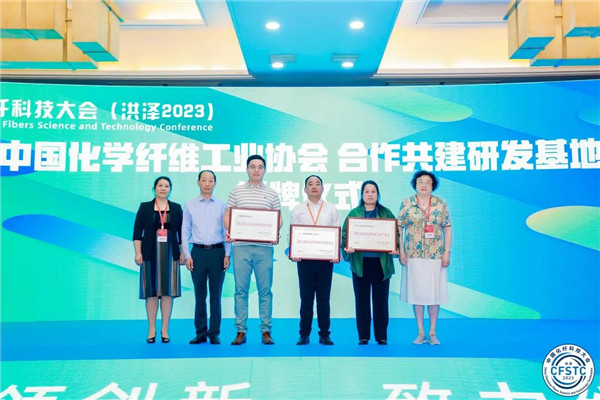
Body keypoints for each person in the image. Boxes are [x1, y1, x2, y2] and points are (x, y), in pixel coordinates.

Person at [224, 155, 282, 345]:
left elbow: (279, 219)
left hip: (264, 248)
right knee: (241, 290)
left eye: (260, 167)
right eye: (252, 166)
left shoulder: (272, 194)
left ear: (264, 170)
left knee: (265, 290)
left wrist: (275, 232)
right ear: (247, 169)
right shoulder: (236, 192)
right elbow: (227, 215)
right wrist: (231, 230)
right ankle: (240, 330)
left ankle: (266, 330)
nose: (256, 170)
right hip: (241, 246)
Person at [398, 170, 452, 346]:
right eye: (420, 181)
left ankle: (433, 331)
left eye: (427, 182)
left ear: (433, 185)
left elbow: (447, 227)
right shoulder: (407, 203)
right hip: (413, 255)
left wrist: (447, 251)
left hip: (435, 254)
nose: (423, 185)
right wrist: (401, 250)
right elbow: (399, 228)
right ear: (415, 184)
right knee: (417, 294)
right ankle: (421, 331)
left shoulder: (440, 204)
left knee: (434, 294)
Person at [341, 180, 397, 345]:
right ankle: (363, 336)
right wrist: (347, 247)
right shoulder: (354, 213)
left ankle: (381, 336)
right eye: (367, 191)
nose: (370, 194)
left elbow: (396, 234)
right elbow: (344, 235)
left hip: (381, 264)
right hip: (360, 263)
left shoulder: (386, 213)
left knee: (381, 301)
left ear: (378, 194)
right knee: (362, 300)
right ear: (362, 194)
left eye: (373, 191)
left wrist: (395, 247)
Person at [289, 175, 341, 345]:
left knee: (324, 299)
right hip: (304, 260)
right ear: (305, 189)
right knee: (306, 298)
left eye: (317, 184)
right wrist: (294, 251)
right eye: (310, 184)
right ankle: (304, 334)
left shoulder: (331, 209)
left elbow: (337, 232)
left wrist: (336, 252)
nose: (314, 186)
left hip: (325, 260)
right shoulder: (298, 209)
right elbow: (292, 233)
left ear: (323, 189)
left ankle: (324, 334)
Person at [133, 176, 184, 343]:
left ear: (170, 189)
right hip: (150, 254)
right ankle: (151, 329)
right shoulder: (145, 207)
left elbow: (182, 234)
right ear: (154, 188)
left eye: (166, 186)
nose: (163, 188)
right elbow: (137, 233)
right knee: (152, 293)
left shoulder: (176, 208)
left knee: (168, 293)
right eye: (160, 185)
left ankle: (165, 329)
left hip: (170, 254)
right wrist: (138, 253)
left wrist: (183, 253)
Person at [182, 170, 231, 345]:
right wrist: (187, 255)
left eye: (211, 181)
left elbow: (227, 232)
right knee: (200, 294)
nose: (207, 184)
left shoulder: (222, 205)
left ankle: (214, 333)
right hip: (198, 253)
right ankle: (200, 332)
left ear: (215, 183)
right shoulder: (189, 205)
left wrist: (227, 254)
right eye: (204, 180)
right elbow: (185, 231)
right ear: (198, 182)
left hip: (218, 252)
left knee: (216, 295)